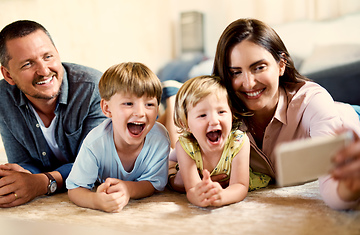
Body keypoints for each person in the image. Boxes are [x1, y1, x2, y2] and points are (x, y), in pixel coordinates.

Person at [212, 18, 360, 210]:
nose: (248, 83)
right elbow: (176, 158)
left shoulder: (312, 102)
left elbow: (333, 186)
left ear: (281, 64)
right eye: (235, 72)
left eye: (259, 67)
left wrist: (350, 188)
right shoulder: (220, 114)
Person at [0, 20, 106, 208]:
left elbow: (95, 166)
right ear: (8, 75)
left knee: (156, 128)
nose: (43, 71)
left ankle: (167, 99)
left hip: (135, 129)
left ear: (57, 53)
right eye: (27, 64)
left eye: (48, 56)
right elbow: (24, 162)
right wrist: (17, 177)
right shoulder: (3, 99)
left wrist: (42, 183)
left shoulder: (93, 89)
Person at [66, 62, 170, 213]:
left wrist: (128, 189)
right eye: (128, 103)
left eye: (149, 104)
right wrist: (96, 201)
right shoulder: (95, 143)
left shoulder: (160, 138)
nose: (140, 112)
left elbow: (154, 184)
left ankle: (172, 97)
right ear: (107, 109)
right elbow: (75, 189)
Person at [170, 75, 271, 207]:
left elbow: (240, 185)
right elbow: (191, 189)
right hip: (174, 166)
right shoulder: (185, 146)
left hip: (232, 182)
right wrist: (199, 197)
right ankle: (170, 97)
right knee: (172, 177)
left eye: (221, 112)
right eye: (202, 115)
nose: (214, 121)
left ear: (232, 115)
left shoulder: (238, 141)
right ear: (186, 124)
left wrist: (222, 196)